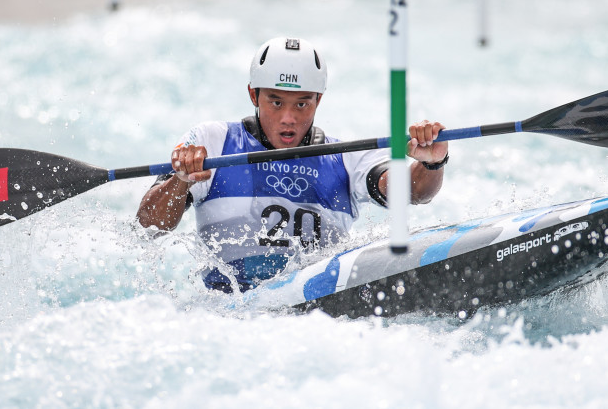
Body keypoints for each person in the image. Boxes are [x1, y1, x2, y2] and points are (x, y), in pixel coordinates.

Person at [136, 37, 449, 292]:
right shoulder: (212, 141)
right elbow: (148, 224)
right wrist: (181, 181)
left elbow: (413, 191)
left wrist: (432, 164)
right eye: (275, 101)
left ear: (318, 100)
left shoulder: (345, 156)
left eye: (302, 103)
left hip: (313, 313)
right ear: (253, 95)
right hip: (226, 312)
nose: (289, 118)